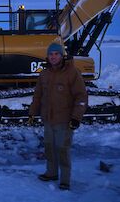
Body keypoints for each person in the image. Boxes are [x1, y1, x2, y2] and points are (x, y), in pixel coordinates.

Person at [28, 42, 88, 190]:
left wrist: (76, 117)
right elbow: (38, 95)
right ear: (47, 56)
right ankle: (51, 173)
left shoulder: (72, 72)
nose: (53, 57)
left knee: (63, 149)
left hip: (64, 120)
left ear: (62, 56)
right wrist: (32, 113)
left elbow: (81, 96)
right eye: (51, 54)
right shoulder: (45, 73)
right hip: (48, 118)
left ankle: (65, 180)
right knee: (49, 148)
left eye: (56, 54)